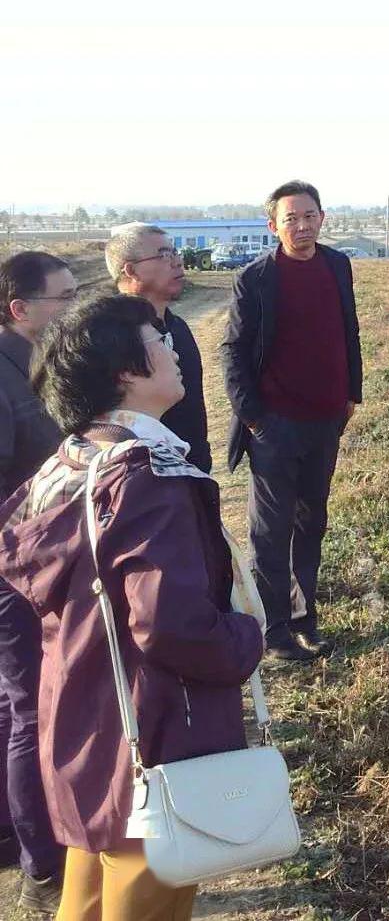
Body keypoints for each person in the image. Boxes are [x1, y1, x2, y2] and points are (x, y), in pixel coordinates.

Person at [0, 293, 264, 920]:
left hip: (85, 716)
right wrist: (246, 637)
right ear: (126, 370)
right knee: (148, 902)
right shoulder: (146, 479)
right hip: (151, 727)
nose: (173, 349)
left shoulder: (71, 463)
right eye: (157, 340)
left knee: (91, 898)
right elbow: (172, 624)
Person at [222, 181, 362, 663]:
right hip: (276, 424)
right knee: (270, 528)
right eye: (290, 219)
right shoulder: (257, 279)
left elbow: (348, 330)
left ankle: (307, 620)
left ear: (322, 218)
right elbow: (234, 351)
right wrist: (255, 418)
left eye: (309, 217)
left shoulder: (338, 266)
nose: (301, 227)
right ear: (273, 226)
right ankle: (274, 628)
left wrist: (351, 396)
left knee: (312, 521)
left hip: (326, 419)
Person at [0, 251, 76, 914]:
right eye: (63, 299)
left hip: (44, 560)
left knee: (22, 702)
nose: (71, 311)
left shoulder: (35, 368)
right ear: (21, 310)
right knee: (32, 708)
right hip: (15, 571)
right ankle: (43, 868)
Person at [104, 225, 212, 473]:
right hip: (140, 475)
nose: (177, 262)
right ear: (131, 270)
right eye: (164, 255)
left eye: (175, 252)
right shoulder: (111, 337)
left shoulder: (178, 327)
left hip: (191, 466)